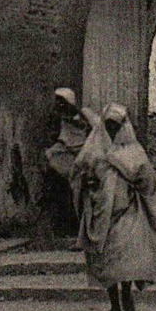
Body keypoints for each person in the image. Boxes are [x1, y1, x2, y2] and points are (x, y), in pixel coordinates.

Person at [73, 102, 156, 311]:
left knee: (124, 256)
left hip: (126, 211)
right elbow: (78, 171)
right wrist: (88, 182)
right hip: (100, 213)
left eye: (116, 125)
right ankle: (114, 305)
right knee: (106, 260)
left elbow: (148, 182)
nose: (112, 130)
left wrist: (132, 181)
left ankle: (126, 292)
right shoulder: (94, 148)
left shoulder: (132, 151)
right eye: (108, 125)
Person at [43, 88, 89, 233]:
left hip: (79, 158)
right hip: (64, 158)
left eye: (62, 101)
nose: (58, 104)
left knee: (79, 193)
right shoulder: (58, 118)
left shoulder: (80, 117)